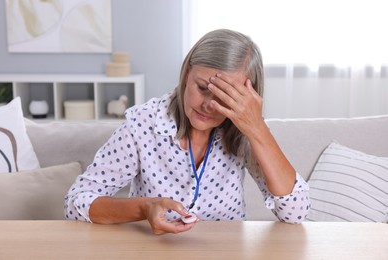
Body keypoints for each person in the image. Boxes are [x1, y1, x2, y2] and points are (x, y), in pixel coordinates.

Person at [65, 29, 310, 235]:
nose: (208, 105)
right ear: (186, 74)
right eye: (203, 88)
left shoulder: (247, 130)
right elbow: (77, 202)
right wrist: (143, 208)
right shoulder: (142, 124)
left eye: (226, 97)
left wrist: (257, 128)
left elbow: (296, 212)